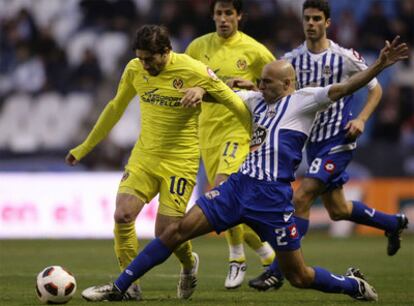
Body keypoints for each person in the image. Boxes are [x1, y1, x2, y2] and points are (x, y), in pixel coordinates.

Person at [80, 36, 408, 302]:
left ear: (287, 84)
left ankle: (353, 286)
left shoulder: (305, 101)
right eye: (258, 82)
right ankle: (119, 287)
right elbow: (221, 93)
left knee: (299, 276)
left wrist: (379, 64)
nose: (259, 86)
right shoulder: (255, 101)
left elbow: (346, 88)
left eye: (266, 82)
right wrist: (198, 90)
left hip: (272, 199)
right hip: (237, 187)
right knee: (173, 232)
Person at [65, 24, 251, 301]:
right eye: (140, 57)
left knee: (166, 233)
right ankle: (129, 284)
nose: (144, 64)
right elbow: (115, 107)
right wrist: (85, 146)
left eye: (149, 58)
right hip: (145, 157)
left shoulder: (193, 70)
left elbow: (234, 103)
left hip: (181, 162)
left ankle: (189, 264)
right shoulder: (134, 69)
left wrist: (257, 140)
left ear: (166, 51)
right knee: (122, 215)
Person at [249, 0, 409, 291]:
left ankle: (277, 272)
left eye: (316, 19)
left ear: (328, 23)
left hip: (339, 139)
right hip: (311, 142)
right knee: (338, 209)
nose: (310, 23)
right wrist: (252, 88)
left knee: (302, 198)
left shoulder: (344, 57)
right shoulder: (292, 59)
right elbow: (276, 90)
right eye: (306, 18)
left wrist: (361, 118)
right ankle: (393, 223)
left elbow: (376, 88)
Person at [185, 0, 275, 289]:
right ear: (212, 16)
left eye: (229, 14)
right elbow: (183, 81)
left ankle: (236, 259)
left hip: (238, 132)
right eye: (219, 14)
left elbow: (284, 87)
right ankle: (267, 253)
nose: (223, 19)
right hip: (207, 134)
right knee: (229, 206)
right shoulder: (197, 48)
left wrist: (255, 87)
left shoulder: (255, 51)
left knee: (222, 192)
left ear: (239, 16)